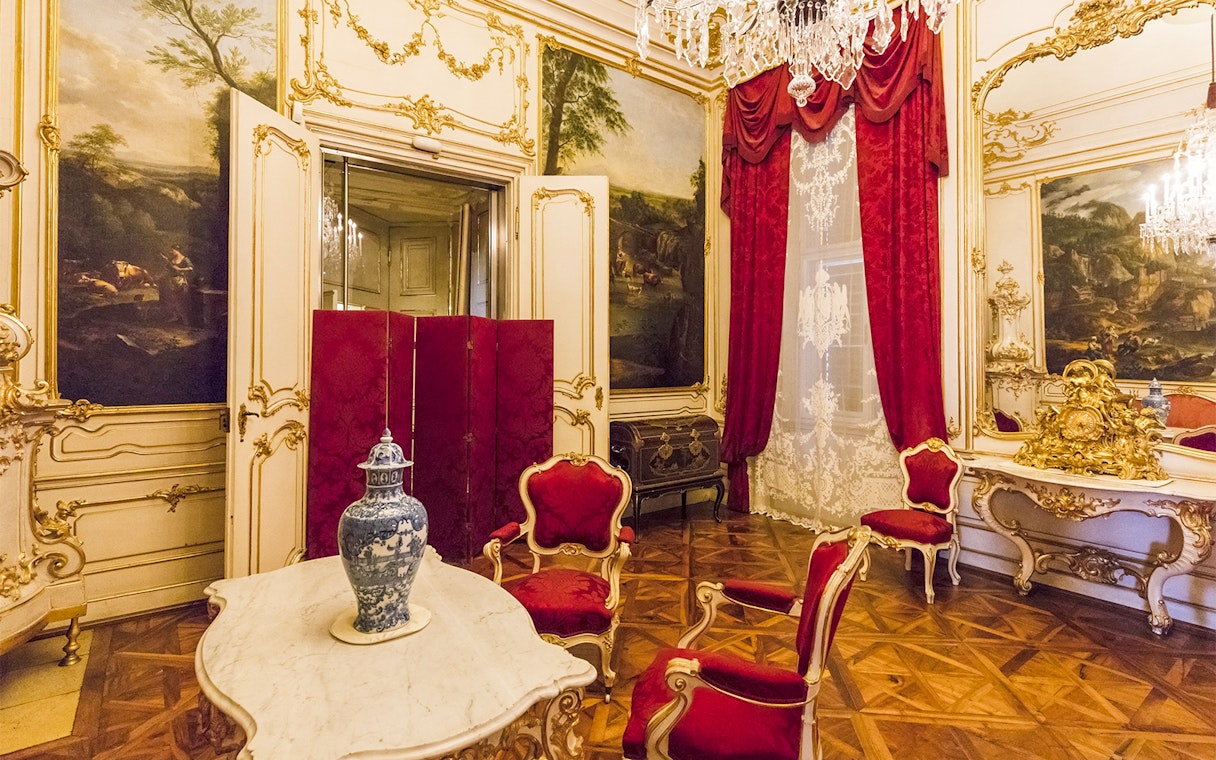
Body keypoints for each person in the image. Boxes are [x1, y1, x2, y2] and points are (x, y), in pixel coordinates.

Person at [159, 245, 196, 325]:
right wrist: (159, 276)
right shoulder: (172, 260)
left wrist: (180, 269)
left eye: (173, 250)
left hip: (181, 281)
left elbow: (191, 268)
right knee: (173, 299)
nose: (171, 252)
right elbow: (166, 270)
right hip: (172, 282)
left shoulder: (185, 259)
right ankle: (176, 316)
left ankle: (185, 319)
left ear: (177, 250)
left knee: (182, 299)